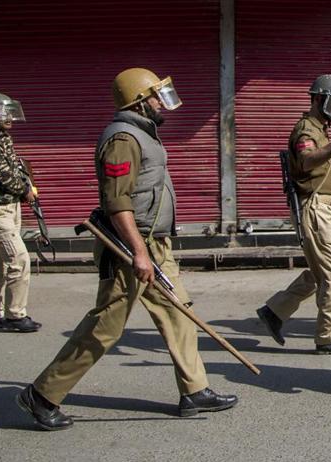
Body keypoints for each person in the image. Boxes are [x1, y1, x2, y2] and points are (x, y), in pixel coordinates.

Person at [16, 68, 237, 430]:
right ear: (139, 100)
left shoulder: (144, 133)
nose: (162, 101)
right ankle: (41, 395)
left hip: (155, 244)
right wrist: (138, 252)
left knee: (179, 313)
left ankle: (195, 390)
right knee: (106, 326)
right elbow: (118, 204)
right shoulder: (122, 138)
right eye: (155, 95)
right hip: (128, 247)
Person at [256, 75, 331, 354]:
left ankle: (275, 311)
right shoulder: (307, 130)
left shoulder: (319, 128)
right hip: (313, 209)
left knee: (320, 274)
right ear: (318, 99)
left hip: (319, 207)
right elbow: (306, 161)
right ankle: (328, 336)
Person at [0, 93, 41, 333]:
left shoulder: (3, 138)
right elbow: (3, 173)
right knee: (19, 259)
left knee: (2, 264)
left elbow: (14, 168)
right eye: (4, 113)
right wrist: (25, 190)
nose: (10, 117)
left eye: (11, 112)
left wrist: (25, 186)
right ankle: (15, 316)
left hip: (9, 206)